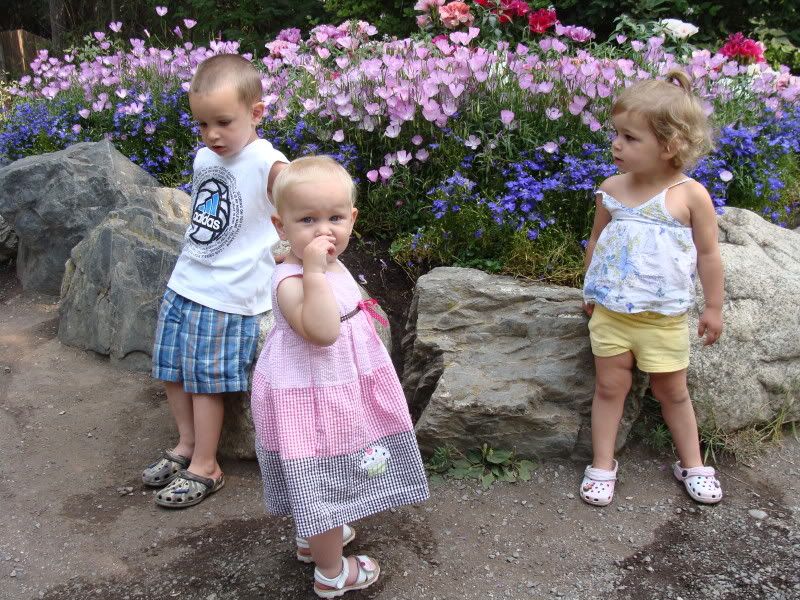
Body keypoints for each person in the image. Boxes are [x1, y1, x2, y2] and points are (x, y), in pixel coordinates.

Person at [250, 156, 429, 597]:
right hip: (310, 395)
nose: (322, 231)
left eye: (334, 218)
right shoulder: (291, 280)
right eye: (307, 220)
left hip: (339, 387)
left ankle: (314, 540)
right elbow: (325, 331)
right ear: (280, 225)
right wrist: (312, 272)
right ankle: (331, 572)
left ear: (353, 219)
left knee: (329, 471)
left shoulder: (331, 263)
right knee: (322, 478)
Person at [141, 53, 288, 508]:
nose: (212, 135)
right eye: (202, 124)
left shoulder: (267, 160)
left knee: (206, 381)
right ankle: (186, 445)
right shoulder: (206, 155)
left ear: (256, 112)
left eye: (223, 122)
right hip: (187, 280)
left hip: (230, 294)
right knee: (171, 370)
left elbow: (296, 199)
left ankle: (208, 464)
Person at [580, 70, 724, 507]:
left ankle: (693, 463)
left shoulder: (689, 195)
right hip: (611, 314)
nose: (616, 145)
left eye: (630, 137)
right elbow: (597, 242)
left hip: (663, 317)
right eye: (616, 134)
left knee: (672, 391)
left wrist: (713, 307)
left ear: (670, 145)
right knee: (609, 387)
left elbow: (709, 255)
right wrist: (589, 290)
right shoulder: (611, 190)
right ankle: (603, 464)